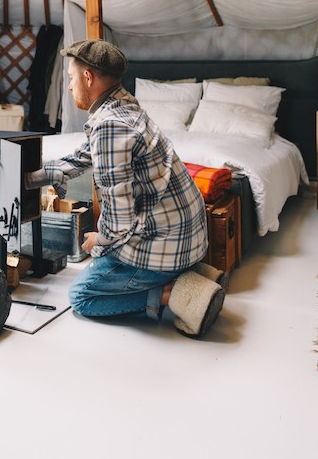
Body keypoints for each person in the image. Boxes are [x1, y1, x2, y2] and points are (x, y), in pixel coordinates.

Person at [25, 39, 226, 338]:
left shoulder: (111, 127)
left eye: (70, 78)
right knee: (103, 262)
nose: (68, 87)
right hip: (188, 236)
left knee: (82, 296)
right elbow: (82, 156)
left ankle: (178, 292)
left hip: (166, 243)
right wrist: (29, 179)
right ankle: (193, 273)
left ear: (88, 77)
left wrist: (100, 242)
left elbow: (118, 220)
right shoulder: (123, 107)